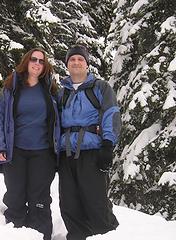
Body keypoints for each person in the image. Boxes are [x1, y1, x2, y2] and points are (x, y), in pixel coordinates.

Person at [0, 48, 60, 240]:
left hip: (43, 154)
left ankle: (41, 236)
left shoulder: (50, 91)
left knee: (40, 200)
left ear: (45, 67)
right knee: (15, 198)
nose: (37, 63)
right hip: (15, 152)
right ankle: (14, 235)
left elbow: (64, 119)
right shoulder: (11, 90)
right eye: (33, 59)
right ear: (26, 62)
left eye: (41, 61)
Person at [58, 44, 121, 240]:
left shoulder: (100, 87)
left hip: (92, 152)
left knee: (95, 201)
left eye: (80, 59)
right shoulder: (62, 92)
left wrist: (108, 145)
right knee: (69, 203)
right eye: (72, 59)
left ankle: (106, 235)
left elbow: (111, 113)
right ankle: (77, 236)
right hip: (65, 153)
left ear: (87, 64)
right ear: (67, 64)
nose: (76, 62)